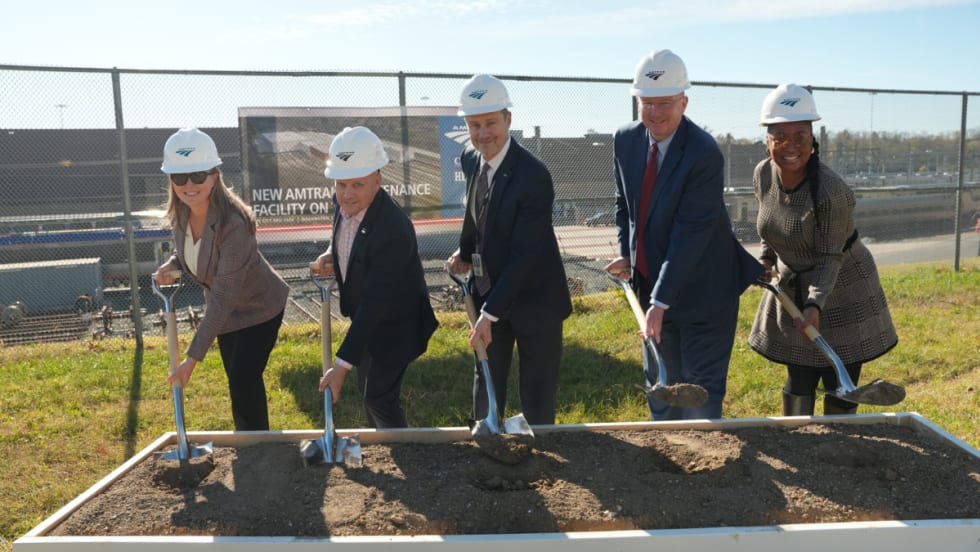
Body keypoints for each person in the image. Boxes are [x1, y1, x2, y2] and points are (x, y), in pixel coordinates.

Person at [603, 50, 762, 420]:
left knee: (698, 398)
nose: (655, 113)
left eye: (665, 104)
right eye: (647, 103)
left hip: (705, 289)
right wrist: (628, 253)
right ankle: (667, 465)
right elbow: (624, 203)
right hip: (654, 286)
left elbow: (690, 234)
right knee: (663, 389)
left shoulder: (703, 153)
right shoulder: (625, 141)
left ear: (684, 102)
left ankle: (708, 468)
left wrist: (659, 302)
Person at [748, 84, 898, 415]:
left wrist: (815, 303)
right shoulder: (763, 174)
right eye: (780, 137)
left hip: (843, 286)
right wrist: (767, 258)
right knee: (799, 376)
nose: (790, 146)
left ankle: (838, 448)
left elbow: (831, 256)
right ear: (767, 140)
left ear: (812, 140)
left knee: (839, 385)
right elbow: (768, 225)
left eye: (799, 137)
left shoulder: (831, 192)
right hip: (795, 286)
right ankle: (799, 440)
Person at [447, 74, 572, 426]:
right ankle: (485, 444)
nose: (483, 133)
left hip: (536, 300)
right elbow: (476, 212)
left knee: (536, 391)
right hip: (491, 292)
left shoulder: (533, 176)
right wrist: (465, 252)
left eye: (490, 123)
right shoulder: (472, 159)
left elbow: (524, 255)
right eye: (474, 125)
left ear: (508, 119)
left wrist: (489, 315)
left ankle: (541, 460)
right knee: (485, 376)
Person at [154, 127, 289, 431]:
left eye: (198, 175)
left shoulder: (234, 224)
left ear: (214, 176)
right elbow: (196, 254)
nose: (189, 185)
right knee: (238, 382)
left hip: (259, 308)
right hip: (229, 313)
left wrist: (191, 359)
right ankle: (250, 443)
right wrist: (172, 265)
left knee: (244, 378)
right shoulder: (181, 216)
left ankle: (258, 448)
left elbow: (223, 296)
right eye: (179, 177)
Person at [314, 126, 438, 429]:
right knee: (368, 390)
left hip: (397, 323)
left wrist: (340, 365)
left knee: (378, 396)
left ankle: (405, 450)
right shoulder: (345, 201)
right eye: (341, 184)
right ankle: (385, 444)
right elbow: (350, 235)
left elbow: (376, 302)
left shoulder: (392, 230)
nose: (347, 193)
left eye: (358, 184)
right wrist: (333, 252)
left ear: (378, 180)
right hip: (367, 319)